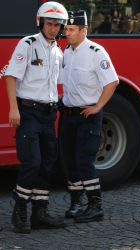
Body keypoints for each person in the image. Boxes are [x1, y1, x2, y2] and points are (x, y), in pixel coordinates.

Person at [5, 1, 68, 233]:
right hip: (28, 113)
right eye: (49, 24)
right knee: (31, 162)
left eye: (57, 25)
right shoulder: (28, 44)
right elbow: (11, 76)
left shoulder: (57, 52)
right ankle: (20, 210)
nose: (53, 28)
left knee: (48, 163)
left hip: (49, 114)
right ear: (40, 23)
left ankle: (40, 212)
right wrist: (14, 108)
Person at [61, 10, 119, 223]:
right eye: (66, 28)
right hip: (69, 115)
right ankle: (76, 202)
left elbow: (112, 82)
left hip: (88, 115)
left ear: (83, 30)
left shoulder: (96, 52)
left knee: (84, 160)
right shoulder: (66, 51)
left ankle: (95, 206)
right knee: (69, 161)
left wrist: (98, 107)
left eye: (71, 29)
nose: (67, 32)